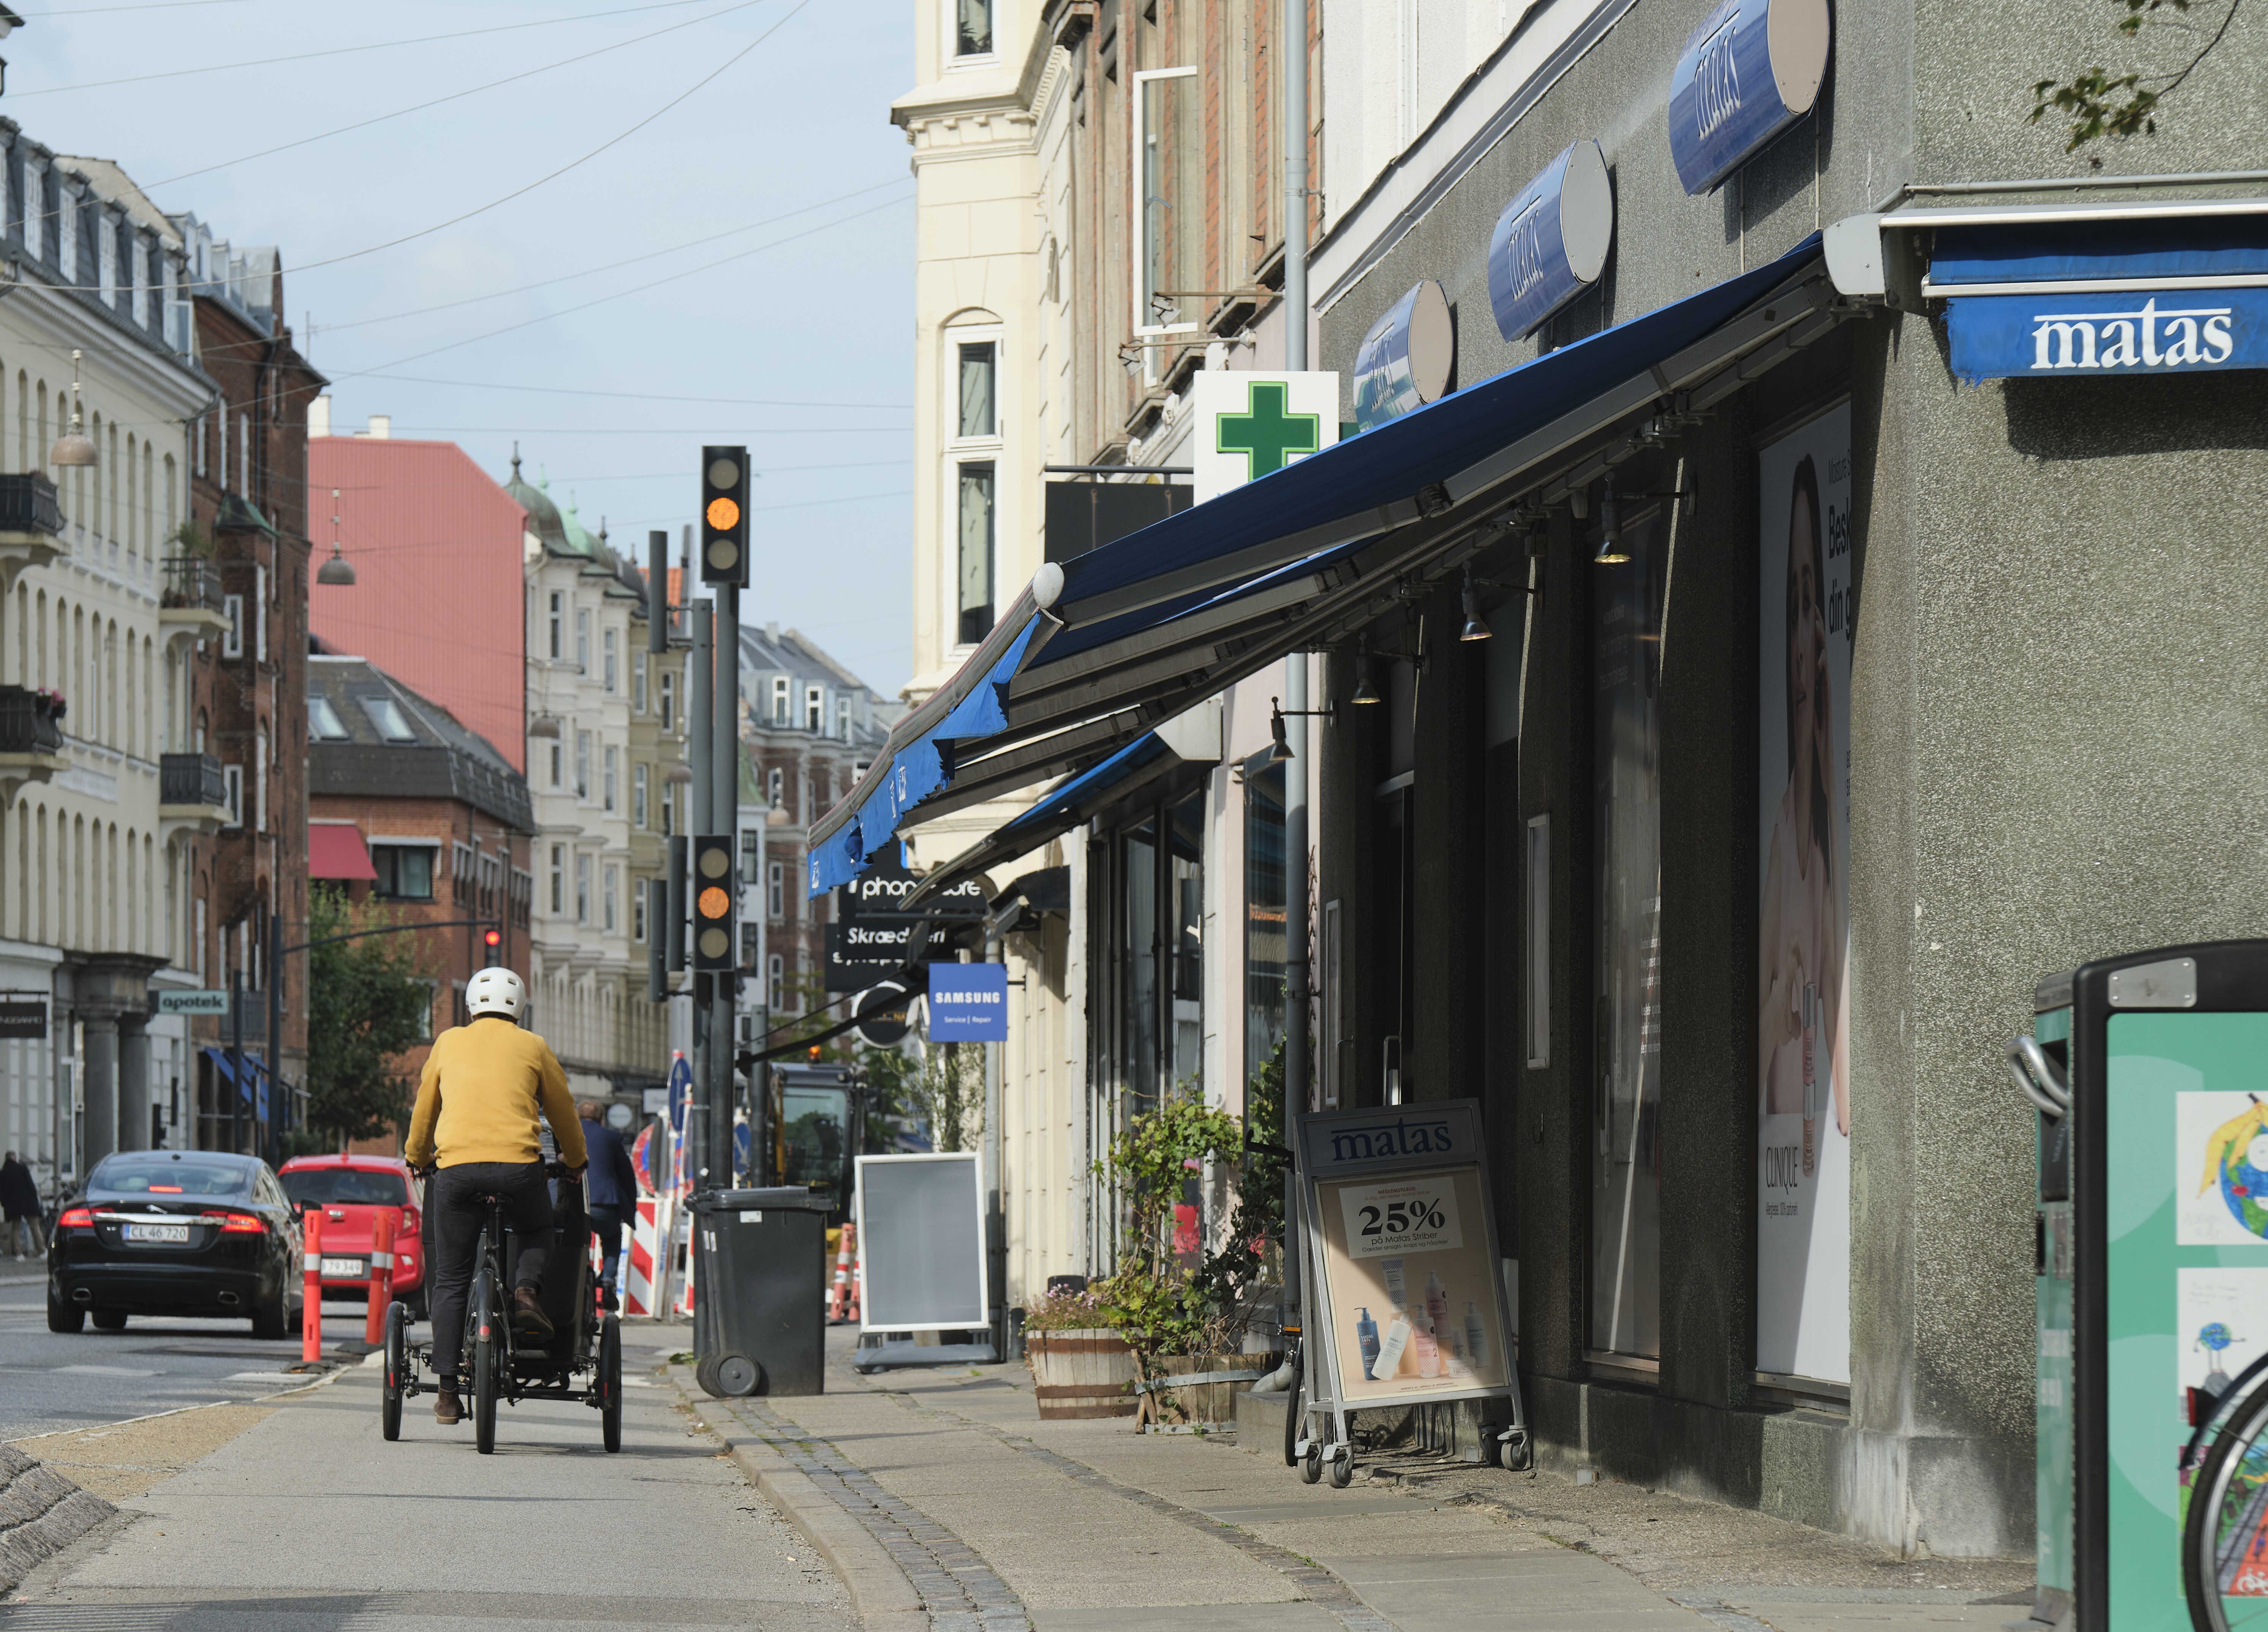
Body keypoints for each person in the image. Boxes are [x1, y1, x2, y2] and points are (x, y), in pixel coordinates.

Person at [403, 967, 586, 1427]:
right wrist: (574, 1159)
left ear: (470, 1006)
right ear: (520, 1008)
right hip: (518, 1169)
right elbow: (563, 1109)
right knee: (536, 1228)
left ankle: (447, 1392)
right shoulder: (534, 1046)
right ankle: (525, 1293)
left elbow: (425, 1108)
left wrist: (416, 1156)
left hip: (457, 1172)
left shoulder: (447, 1043)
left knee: (451, 1279)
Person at [1758, 454, 1850, 1174]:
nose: (1801, 637)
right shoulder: (1784, 828)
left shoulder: (1830, 842)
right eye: (1791, 605)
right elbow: (1755, 1053)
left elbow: (1850, 1111)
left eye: (1810, 598)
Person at [578, 1101, 639, 1312]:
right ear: (602, 1119)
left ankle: (574, 1277)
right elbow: (627, 1176)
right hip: (605, 1204)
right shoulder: (611, 1137)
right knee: (612, 1239)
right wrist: (631, 1210)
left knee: (571, 1243)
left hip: (575, 1206)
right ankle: (608, 1281)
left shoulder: (569, 1134)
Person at [2, 1150, 43, 1260]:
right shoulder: (22, 1169)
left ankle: (19, 1254)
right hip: (28, 1203)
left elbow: (2, 1192)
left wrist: (5, 1205)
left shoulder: (3, 1173)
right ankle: (42, 1250)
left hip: (13, 1206)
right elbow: (31, 1186)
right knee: (35, 1227)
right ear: (15, 1158)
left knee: (16, 1229)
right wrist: (35, 1201)